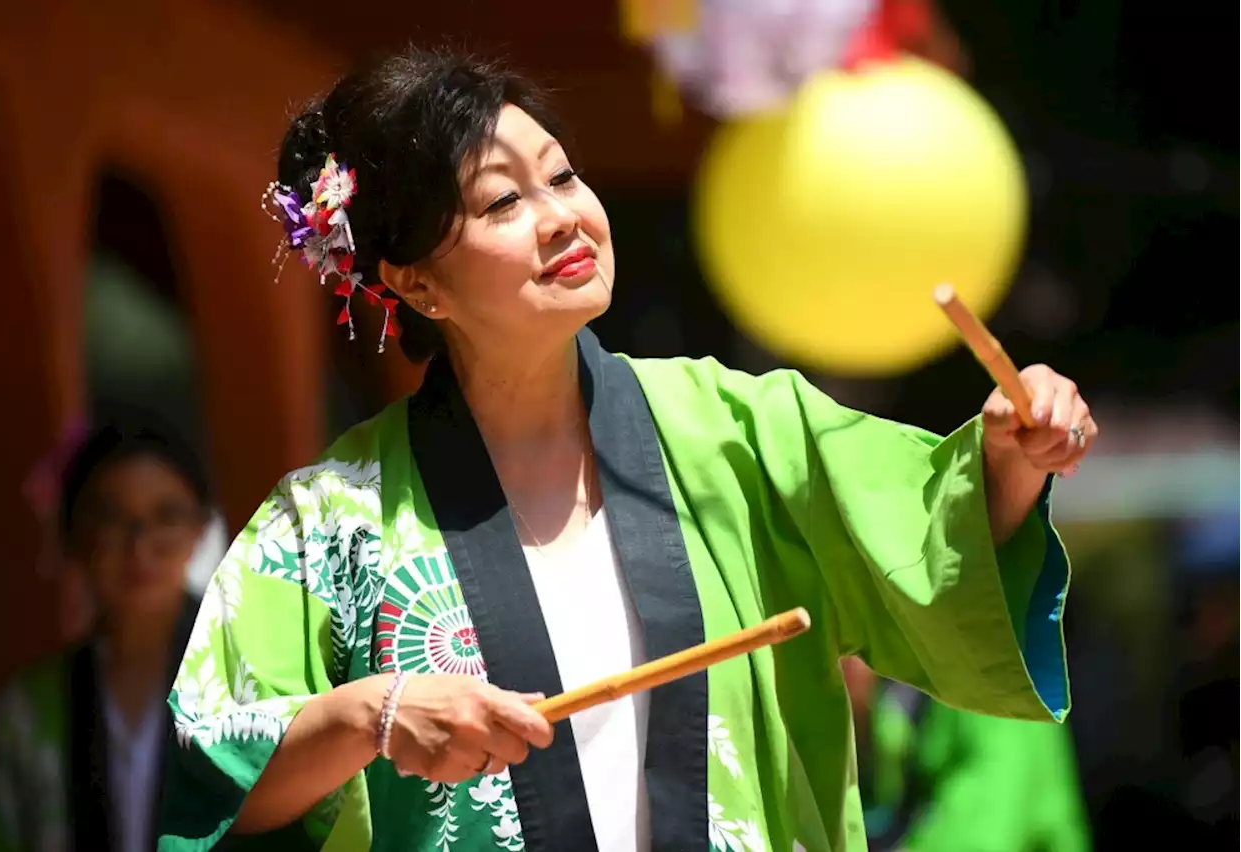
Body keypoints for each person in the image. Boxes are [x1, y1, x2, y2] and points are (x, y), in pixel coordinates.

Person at [157, 47, 1097, 852]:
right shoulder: (329, 520)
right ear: (417, 283)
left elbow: (934, 534)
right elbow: (213, 767)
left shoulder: (734, 427)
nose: (562, 216)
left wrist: (1015, 454)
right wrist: (377, 714)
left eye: (562, 177)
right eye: (501, 204)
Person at [0, 424, 211, 852]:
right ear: (74, 537)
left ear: (200, 529)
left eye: (166, 516)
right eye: (114, 519)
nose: (140, 547)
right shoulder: (22, 714)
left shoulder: (252, 688)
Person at [843, 657, 1091, 852]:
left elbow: (988, 832)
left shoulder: (996, 670)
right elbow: (889, 790)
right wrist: (860, 719)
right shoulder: (922, 678)